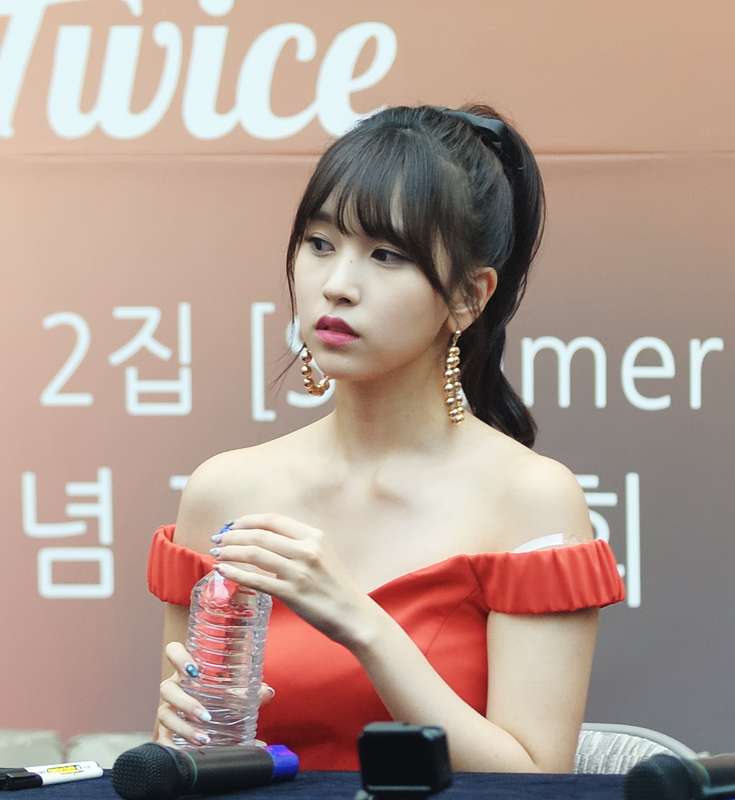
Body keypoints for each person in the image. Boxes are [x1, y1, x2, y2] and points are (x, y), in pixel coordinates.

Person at [146, 104, 625, 773]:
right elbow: (189, 755)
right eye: (320, 243)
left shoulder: (531, 499)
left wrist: (360, 623)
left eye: (386, 255)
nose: (337, 286)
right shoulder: (226, 491)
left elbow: (536, 781)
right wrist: (188, 741)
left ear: (469, 297)